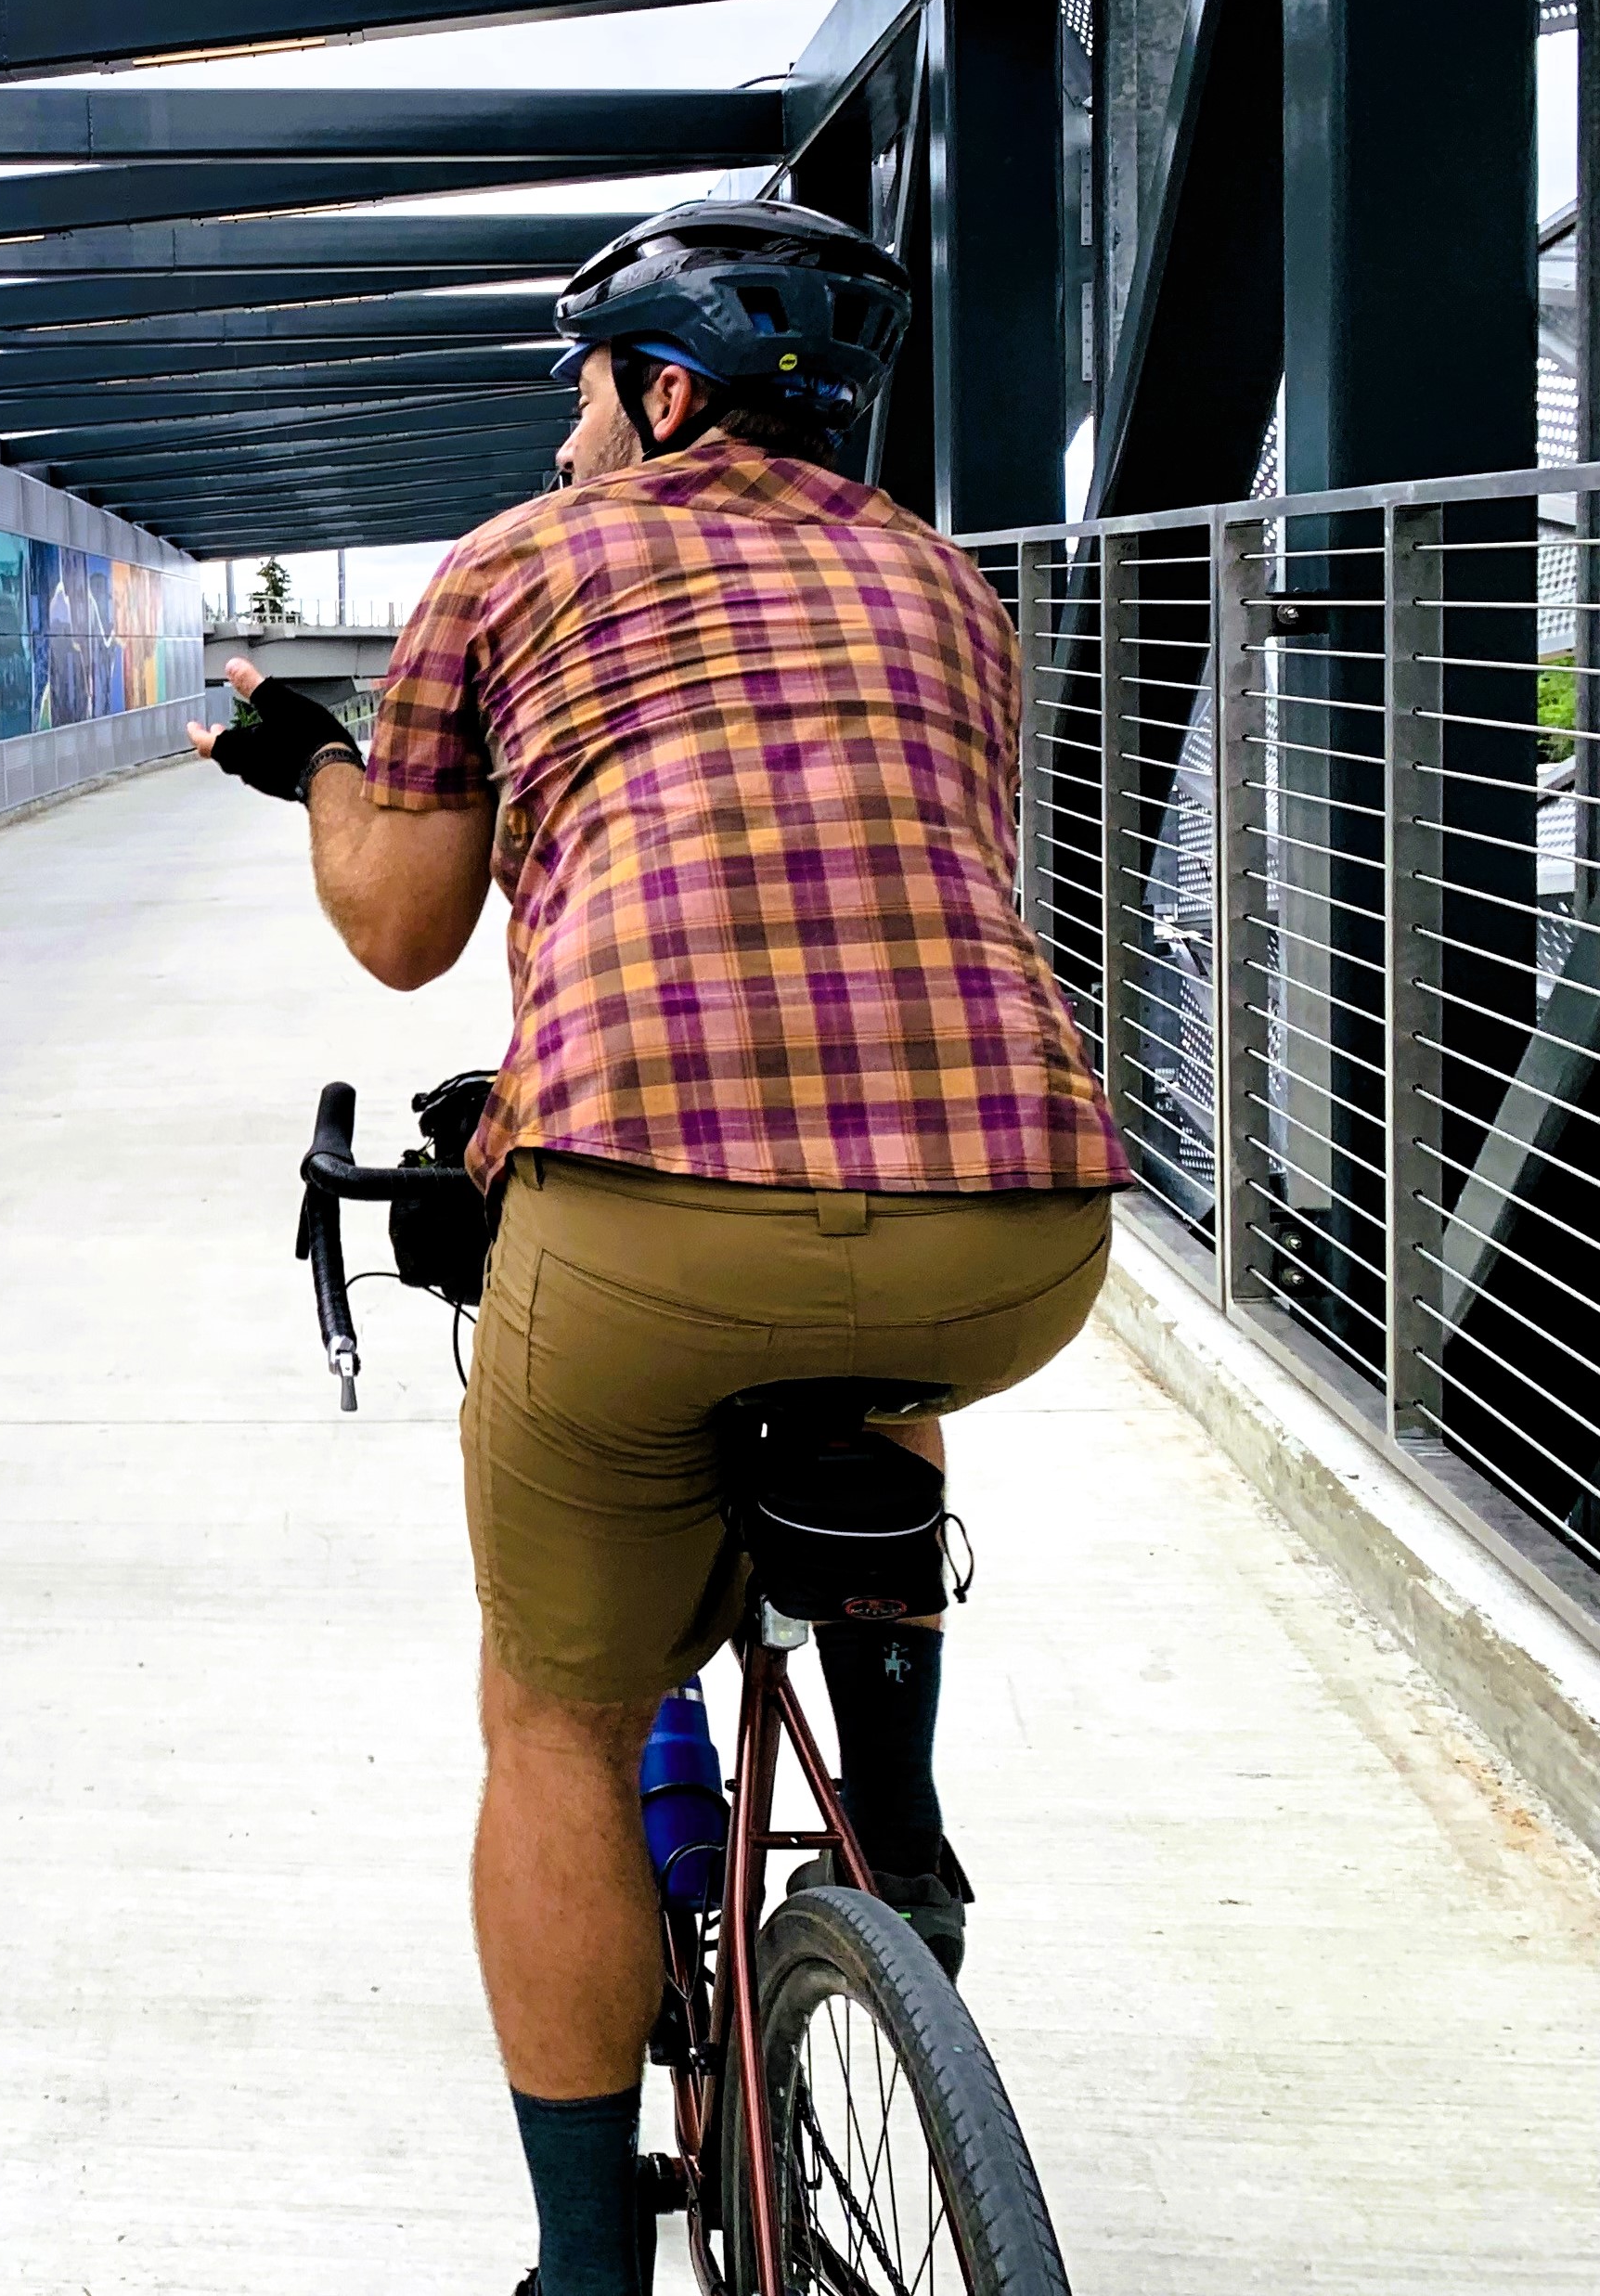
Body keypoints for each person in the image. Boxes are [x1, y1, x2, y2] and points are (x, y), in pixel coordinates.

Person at [193, 200, 1128, 2296]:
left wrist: (321, 762)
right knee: (877, 1348)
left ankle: (589, 2267)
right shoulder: (948, 587)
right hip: (1020, 1226)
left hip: (654, 1218)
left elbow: (405, 929)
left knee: (551, 1711)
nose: (565, 441)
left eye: (585, 395)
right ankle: (897, 1824)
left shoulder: (519, 567)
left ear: (667, 387)